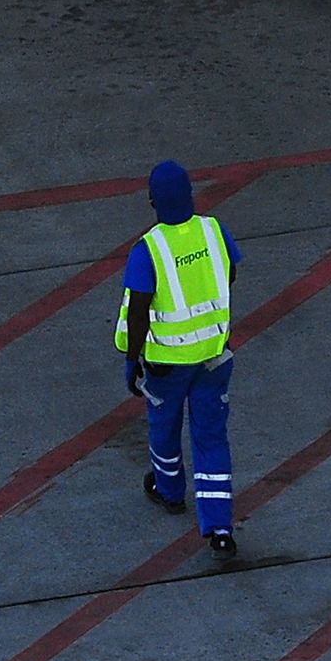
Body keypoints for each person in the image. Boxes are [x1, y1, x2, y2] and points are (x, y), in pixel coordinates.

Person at [116, 159, 239, 558]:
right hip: (213, 359)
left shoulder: (148, 250)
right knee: (211, 438)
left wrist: (132, 359)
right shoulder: (213, 229)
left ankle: (169, 491)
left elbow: (138, 311)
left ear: (152, 201)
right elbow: (230, 273)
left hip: (166, 365)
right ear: (190, 194)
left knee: (164, 429)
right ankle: (220, 527)